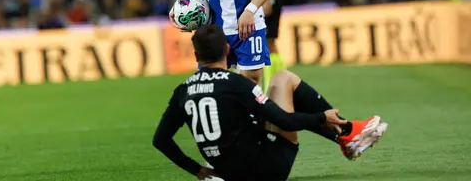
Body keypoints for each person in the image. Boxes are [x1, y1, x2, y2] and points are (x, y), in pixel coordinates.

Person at [153, 25, 388, 181]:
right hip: (267, 171)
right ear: (227, 49)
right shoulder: (235, 84)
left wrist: (197, 170)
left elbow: (160, 140)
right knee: (282, 78)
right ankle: (346, 133)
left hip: (227, 175)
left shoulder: (182, 91)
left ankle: (348, 136)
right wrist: (320, 117)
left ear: (196, 56)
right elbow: (284, 120)